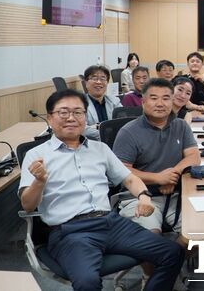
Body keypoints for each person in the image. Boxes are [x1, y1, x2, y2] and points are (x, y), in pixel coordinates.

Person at [19, 89, 184, 291]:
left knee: (173, 252)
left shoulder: (100, 149)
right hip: (70, 232)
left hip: (110, 223)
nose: (71, 118)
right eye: (63, 112)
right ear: (50, 119)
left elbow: (130, 178)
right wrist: (39, 181)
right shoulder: (37, 155)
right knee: (87, 281)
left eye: (78, 112)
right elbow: (27, 205)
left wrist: (143, 196)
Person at [113, 78, 200, 250]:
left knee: (201, 233)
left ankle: (169, 264)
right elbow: (121, 171)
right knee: (150, 239)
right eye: (154, 98)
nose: (160, 103)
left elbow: (193, 157)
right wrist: (158, 178)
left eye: (166, 98)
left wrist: (171, 176)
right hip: (138, 197)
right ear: (143, 102)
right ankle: (151, 274)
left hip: (176, 196)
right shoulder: (129, 132)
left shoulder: (180, 125)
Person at [83, 65, 122, 140]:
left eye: (103, 78)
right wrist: (107, 133)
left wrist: (98, 127)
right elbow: (81, 129)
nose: (98, 82)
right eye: (94, 78)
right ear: (86, 82)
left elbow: (123, 122)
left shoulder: (115, 101)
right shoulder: (80, 104)